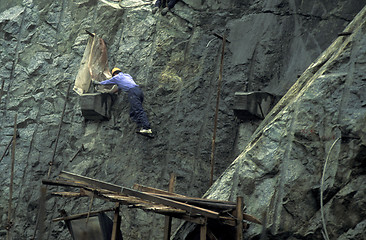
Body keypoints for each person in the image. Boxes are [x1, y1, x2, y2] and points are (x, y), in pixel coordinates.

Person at [93, 67, 153, 137]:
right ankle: (140, 126)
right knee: (133, 112)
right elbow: (120, 87)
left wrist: (98, 83)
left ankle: (147, 128)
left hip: (132, 92)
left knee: (138, 110)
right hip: (139, 92)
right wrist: (112, 92)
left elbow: (107, 82)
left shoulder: (117, 77)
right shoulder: (127, 76)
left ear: (114, 74)